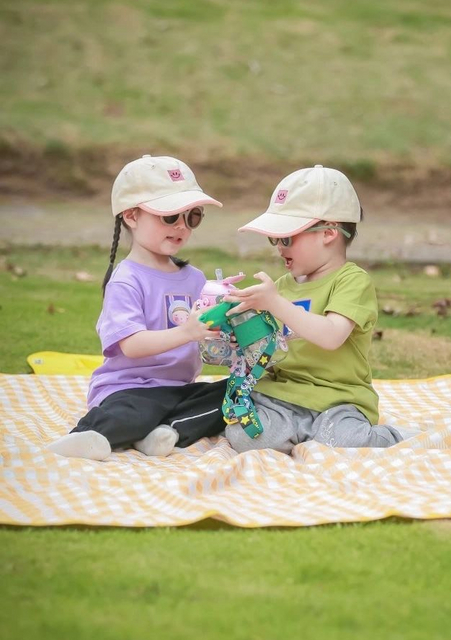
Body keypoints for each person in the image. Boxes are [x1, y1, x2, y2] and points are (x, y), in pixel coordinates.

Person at [47, 155, 228, 461]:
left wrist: (231, 332)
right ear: (131, 216)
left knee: (234, 395)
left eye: (192, 217)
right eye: (170, 217)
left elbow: (208, 339)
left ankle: (161, 433)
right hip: (130, 389)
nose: (182, 226)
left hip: (179, 389)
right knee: (134, 411)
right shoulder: (127, 280)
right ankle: (89, 435)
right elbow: (131, 345)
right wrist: (187, 331)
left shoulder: (195, 279)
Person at [223, 164, 414, 454]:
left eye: (286, 238)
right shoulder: (282, 286)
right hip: (282, 397)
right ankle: (302, 436)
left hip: (338, 399)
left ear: (328, 232)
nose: (278, 248)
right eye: (274, 239)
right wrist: (237, 331)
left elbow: (331, 336)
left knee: (347, 442)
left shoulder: (352, 281)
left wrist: (276, 303)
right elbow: (268, 348)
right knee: (244, 435)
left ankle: (392, 437)